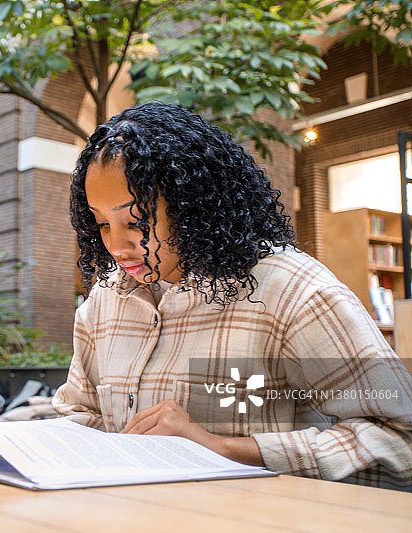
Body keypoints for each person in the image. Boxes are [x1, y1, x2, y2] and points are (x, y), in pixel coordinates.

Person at [52, 102, 412, 490]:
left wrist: (220, 447)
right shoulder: (104, 301)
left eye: (136, 222)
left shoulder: (293, 292)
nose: (116, 246)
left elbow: (399, 441)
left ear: (192, 205)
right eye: (102, 223)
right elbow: (81, 413)